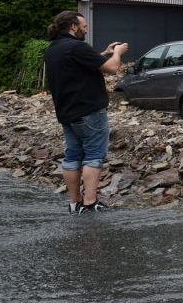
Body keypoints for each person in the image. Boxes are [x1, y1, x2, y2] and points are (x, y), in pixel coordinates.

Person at [44, 11, 128, 214]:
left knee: (72, 156)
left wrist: (104, 52)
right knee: (93, 155)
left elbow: (82, 64)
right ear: (73, 26)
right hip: (89, 110)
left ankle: (75, 203)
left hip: (67, 113)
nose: (86, 28)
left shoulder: (52, 49)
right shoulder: (77, 46)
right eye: (83, 25)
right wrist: (117, 53)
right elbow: (112, 69)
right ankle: (90, 203)